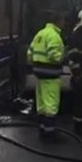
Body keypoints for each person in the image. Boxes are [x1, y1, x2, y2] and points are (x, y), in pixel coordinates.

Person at [27, 11, 65, 139]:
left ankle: (42, 129)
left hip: (39, 72)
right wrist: (63, 57)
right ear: (58, 21)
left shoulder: (40, 33)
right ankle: (50, 133)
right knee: (51, 103)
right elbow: (54, 56)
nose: (64, 23)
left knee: (42, 103)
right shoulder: (54, 35)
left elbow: (29, 53)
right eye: (63, 21)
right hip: (51, 74)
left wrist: (35, 63)